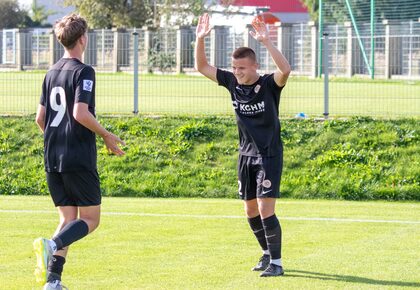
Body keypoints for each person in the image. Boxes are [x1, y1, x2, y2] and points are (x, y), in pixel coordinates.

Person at [194, 13, 291, 277]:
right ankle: (267, 254)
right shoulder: (231, 83)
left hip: (268, 154)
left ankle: (278, 264)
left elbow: (285, 70)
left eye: (242, 68)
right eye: (234, 68)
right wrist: (200, 38)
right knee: (249, 209)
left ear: (254, 66)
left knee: (264, 207)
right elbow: (202, 67)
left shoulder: (269, 84)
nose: (237, 72)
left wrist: (267, 42)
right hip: (245, 155)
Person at [34, 13, 125, 289]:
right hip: (77, 156)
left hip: (53, 155)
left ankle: (53, 281)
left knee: (68, 220)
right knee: (90, 219)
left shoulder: (51, 72)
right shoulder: (84, 71)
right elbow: (80, 113)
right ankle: (51, 244)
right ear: (83, 38)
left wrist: (56, 140)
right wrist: (107, 135)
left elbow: (40, 119)